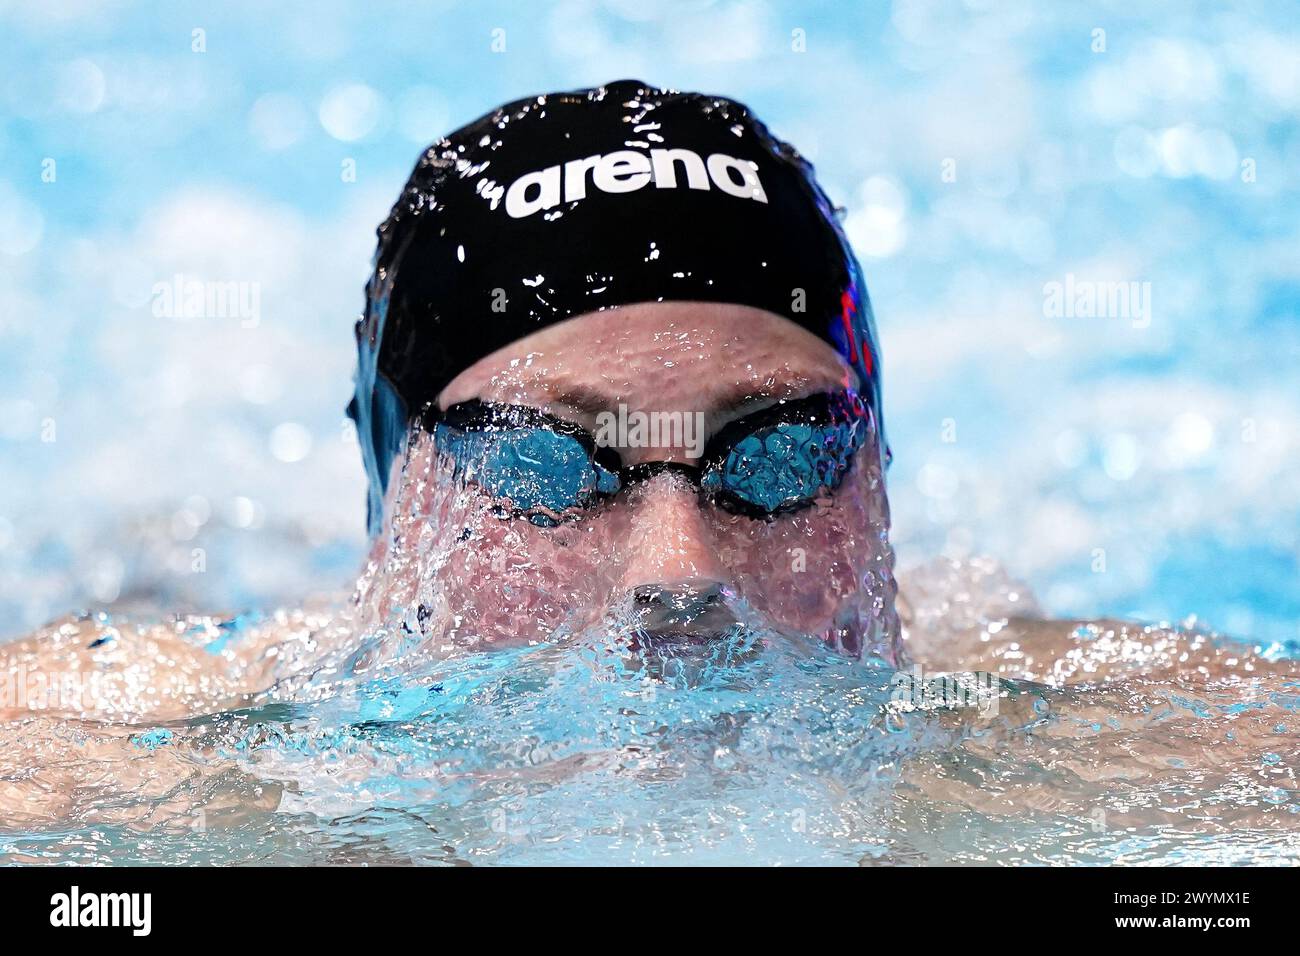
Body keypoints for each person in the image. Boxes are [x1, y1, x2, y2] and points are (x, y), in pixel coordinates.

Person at [0, 82, 1293, 843]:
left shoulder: (1067, 736)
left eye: (782, 459)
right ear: (396, 502)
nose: (681, 577)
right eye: (545, 472)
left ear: (880, 472)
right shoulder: (147, 749)